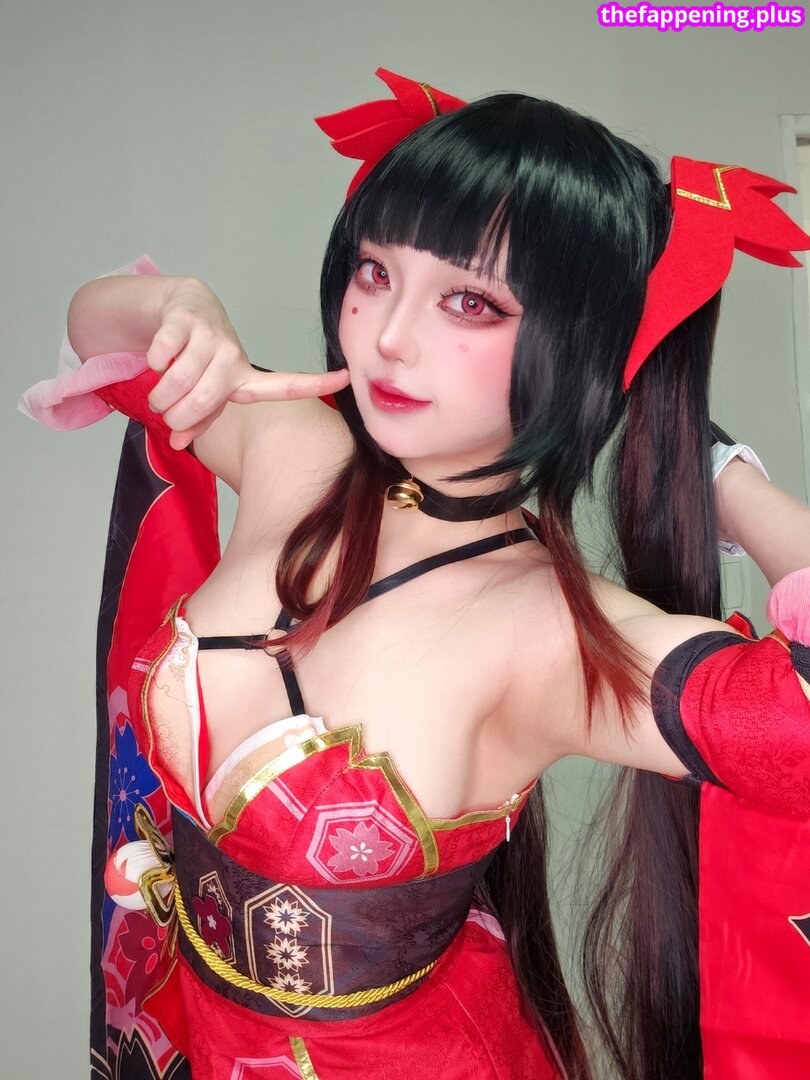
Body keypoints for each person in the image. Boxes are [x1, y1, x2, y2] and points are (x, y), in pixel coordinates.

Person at [19, 68, 810, 1080]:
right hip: (192, 1034)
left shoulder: (554, 634)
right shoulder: (290, 449)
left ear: (583, 346)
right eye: (376, 271)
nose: (389, 337)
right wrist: (183, 306)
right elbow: (101, 330)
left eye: (469, 302)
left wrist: (721, 479)